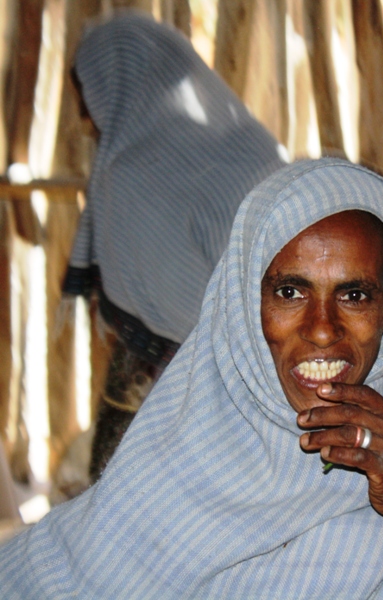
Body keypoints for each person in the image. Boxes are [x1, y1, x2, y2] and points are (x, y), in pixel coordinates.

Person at [0, 159, 383, 598]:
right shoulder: (178, 448)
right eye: (290, 293)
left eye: (355, 295)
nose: (323, 330)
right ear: (245, 301)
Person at [61, 13, 287, 481]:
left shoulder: (129, 173)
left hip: (181, 383)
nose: (84, 119)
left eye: (86, 98)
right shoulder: (252, 143)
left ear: (118, 86)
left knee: (131, 498)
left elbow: (152, 304)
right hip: (276, 372)